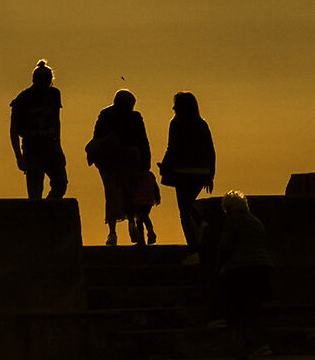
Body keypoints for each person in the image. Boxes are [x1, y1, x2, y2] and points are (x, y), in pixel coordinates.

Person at [88, 88, 161, 247]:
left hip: (108, 160)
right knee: (130, 192)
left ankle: (112, 233)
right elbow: (143, 141)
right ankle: (132, 224)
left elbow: (96, 138)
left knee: (111, 194)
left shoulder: (105, 115)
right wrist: (146, 164)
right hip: (131, 157)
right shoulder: (135, 117)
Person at [212, 190, 275, 360]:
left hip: (243, 268)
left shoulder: (233, 220)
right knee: (254, 308)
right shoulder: (256, 221)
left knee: (243, 306)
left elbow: (225, 246)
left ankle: (221, 318)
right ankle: (262, 345)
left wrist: (219, 265)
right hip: (262, 267)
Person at [160, 90, 217, 262]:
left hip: (183, 172)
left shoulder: (176, 123)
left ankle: (193, 251)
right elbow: (210, 149)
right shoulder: (202, 123)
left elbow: (173, 148)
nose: (173, 107)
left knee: (184, 212)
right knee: (189, 204)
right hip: (202, 171)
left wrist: (164, 166)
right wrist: (211, 174)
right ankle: (200, 222)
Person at [11, 60, 68, 200]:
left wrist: (58, 146)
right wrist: (19, 157)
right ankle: (40, 215)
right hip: (32, 148)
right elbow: (13, 131)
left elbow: (56, 121)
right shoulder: (22, 99)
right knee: (35, 191)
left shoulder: (54, 94)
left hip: (50, 145)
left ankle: (48, 211)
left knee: (60, 184)